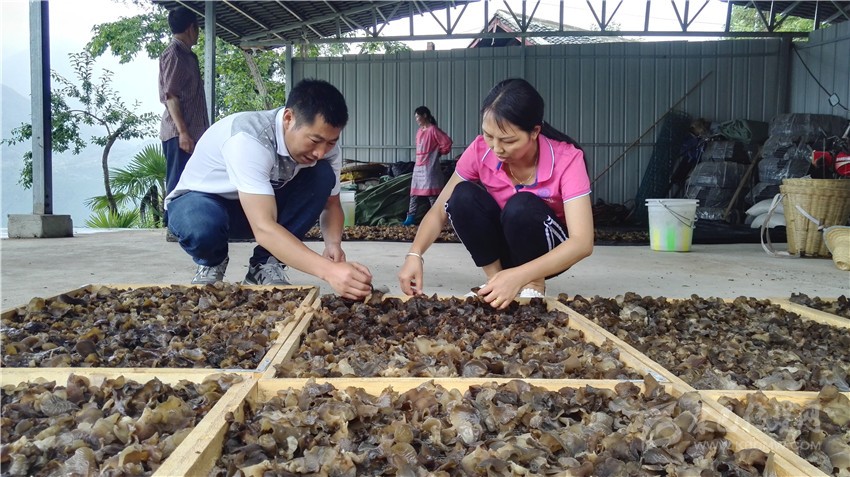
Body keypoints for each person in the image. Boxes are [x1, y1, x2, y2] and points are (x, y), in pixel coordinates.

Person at [166, 79, 374, 300]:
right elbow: (263, 227)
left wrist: (333, 245)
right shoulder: (249, 138)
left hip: (258, 206)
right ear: (288, 118)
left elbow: (332, 204)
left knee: (322, 174)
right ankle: (212, 261)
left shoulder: (326, 149)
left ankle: (265, 264)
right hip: (202, 203)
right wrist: (329, 271)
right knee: (202, 225)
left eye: (331, 142)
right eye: (315, 140)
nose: (320, 152)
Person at [398, 78, 593, 309]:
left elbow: (582, 242)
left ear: (534, 132)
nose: (497, 148)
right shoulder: (480, 150)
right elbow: (439, 210)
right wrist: (415, 254)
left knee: (521, 206)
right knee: (462, 196)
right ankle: (495, 280)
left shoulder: (567, 159)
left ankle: (533, 284)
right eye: (489, 135)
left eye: (508, 140)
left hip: (548, 249)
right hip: (503, 244)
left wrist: (521, 275)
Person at [159, 6, 209, 231]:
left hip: (192, 133)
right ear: (191, 28)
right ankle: (172, 225)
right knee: (178, 180)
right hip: (180, 133)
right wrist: (183, 133)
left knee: (191, 180)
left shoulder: (188, 55)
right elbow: (170, 96)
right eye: (198, 28)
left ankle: (185, 223)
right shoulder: (174, 54)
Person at [402, 106, 453, 226]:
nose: (417, 120)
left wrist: (439, 153)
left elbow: (447, 142)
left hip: (429, 167)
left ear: (425, 115)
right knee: (414, 193)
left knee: (431, 193)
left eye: (418, 117)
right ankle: (410, 217)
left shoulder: (433, 130)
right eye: (415, 118)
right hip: (419, 166)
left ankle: (438, 218)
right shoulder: (420, 131)